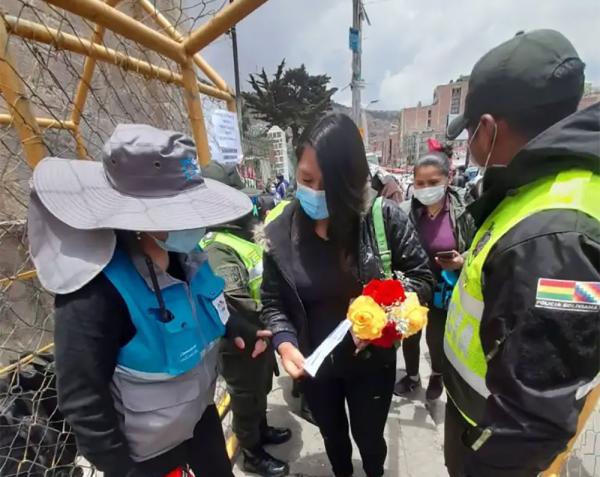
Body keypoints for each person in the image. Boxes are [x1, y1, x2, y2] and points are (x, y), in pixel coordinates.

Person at [27, 124, 271, 477]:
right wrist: (122, 469)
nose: (195, 222)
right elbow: (82, 398)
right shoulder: (94, 293)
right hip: (145, 455)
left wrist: (237, 327)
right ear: (139, 217)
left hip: (199, 421)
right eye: (180, 209)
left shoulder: (187, 256)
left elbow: (208, 300)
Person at [443, 30, 599, 477]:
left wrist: (479, 462)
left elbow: (533, 420)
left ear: (490, 129)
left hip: (493, 453)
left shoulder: (553, 236)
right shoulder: (538, 193)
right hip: (479, 422)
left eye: (471, 132)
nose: (470, 147)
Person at [261, 113, 434, 477]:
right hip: (316, 366)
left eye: (329, 185)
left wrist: (384, 315)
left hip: (372, 366)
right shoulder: (280, 233)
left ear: (352, 182)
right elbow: (273, 302)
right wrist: (286, 343)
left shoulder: (382, 219)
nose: (315, 193)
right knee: (333, 435)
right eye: (306, 180)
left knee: (370, 439)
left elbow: (421, 277)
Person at [200, 162, 291, 477]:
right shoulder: (217, 247)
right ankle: (251, 453)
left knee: (260, 389)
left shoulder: (242, 233)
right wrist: (280, 313)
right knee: (246, 396)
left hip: (260, 334)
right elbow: (236, 301)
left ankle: (260, 432)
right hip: (241, 339)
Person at [394, 147, 475, 400]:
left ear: (448, 178)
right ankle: (412, 376)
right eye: (419, 183)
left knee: (437, 337)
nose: (425, 188)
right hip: (414, 286)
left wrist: (462, 260)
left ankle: (437, 376)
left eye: (433, 182)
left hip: (445, 288)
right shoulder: (405, 210)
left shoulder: (464, 210)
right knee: (410, 333)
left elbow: (480, 247)